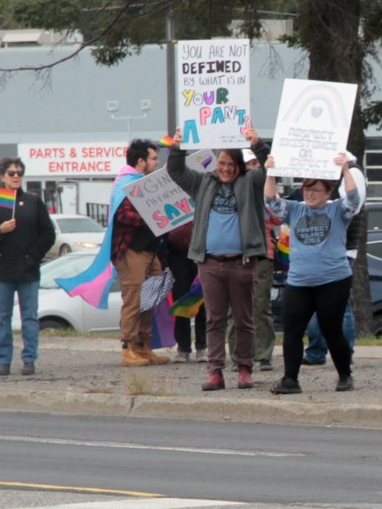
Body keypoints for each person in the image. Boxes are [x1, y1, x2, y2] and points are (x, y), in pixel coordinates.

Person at [168, 125, 269, 391]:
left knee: (244, 318)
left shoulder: (251, 182)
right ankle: (215, 371)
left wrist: (258, 144)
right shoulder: (203, 182)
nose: (225, 168)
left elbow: (270, 170)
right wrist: (177, 147)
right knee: (214, 319)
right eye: (222, 163)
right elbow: (176, 171)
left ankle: (245, 368)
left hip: (242, 262)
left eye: (231, 164)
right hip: (210, 263)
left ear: (239, 165)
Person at [265, 152, 360, 395]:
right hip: (299, 282)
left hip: (333, 281)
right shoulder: (295, 210)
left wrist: (346, 170)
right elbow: (270, 201)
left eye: (315, 190)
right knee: (292, 331)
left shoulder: (337, 210)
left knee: (332, 329)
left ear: (328, 193)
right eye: (306, 189)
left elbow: (353, 198)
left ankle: (345, 375)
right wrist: (271, 172)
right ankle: (290, 379)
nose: (309, 194)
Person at [0, 157, 55, 376]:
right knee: (2, 317)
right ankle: (4, 361)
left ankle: (29, 359)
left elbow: (48, 234)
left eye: (19, 172)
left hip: (28, 270)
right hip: (2, 271)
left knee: (29, 317)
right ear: (3, 176)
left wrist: (33, 256)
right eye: (11, 173)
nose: (16, 176)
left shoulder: (32, 201)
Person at [302, 151, 365, 366]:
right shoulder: (329, 174)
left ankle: (344, 353)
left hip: (341, 249)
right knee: (315, 303)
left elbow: (352, 206)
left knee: (341, 306)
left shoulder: (353, 173)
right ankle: (316, 351)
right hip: (322, 247)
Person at [112, 139, 169, 367]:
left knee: (151, 298)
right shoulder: (125, 184)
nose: (157, 162)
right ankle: (127, 347)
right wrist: (150, 217)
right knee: (134, 299)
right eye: (154, 158)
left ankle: (143, 346)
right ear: (140, 161)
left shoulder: (148, 183)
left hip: (151, 249)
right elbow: (122, 216)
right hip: (130, 251)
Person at [226, 149, 277, 372]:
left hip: (261, 254)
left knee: (260, 305)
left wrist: (265, 197)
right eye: (248, 164)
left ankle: (264, 354)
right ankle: (238, 356)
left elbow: (277, 217)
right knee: (233, 309)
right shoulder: (229, 190)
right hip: (233, 254)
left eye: (255, 162)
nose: (252, 167)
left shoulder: (265, 189)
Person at [167, 222, 206, 362]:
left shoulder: (204, 200)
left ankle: (202, 346)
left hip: (203, 251)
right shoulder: (171, 201)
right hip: (177, 254)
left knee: (203, 300)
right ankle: (183, 348)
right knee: (181, 300)